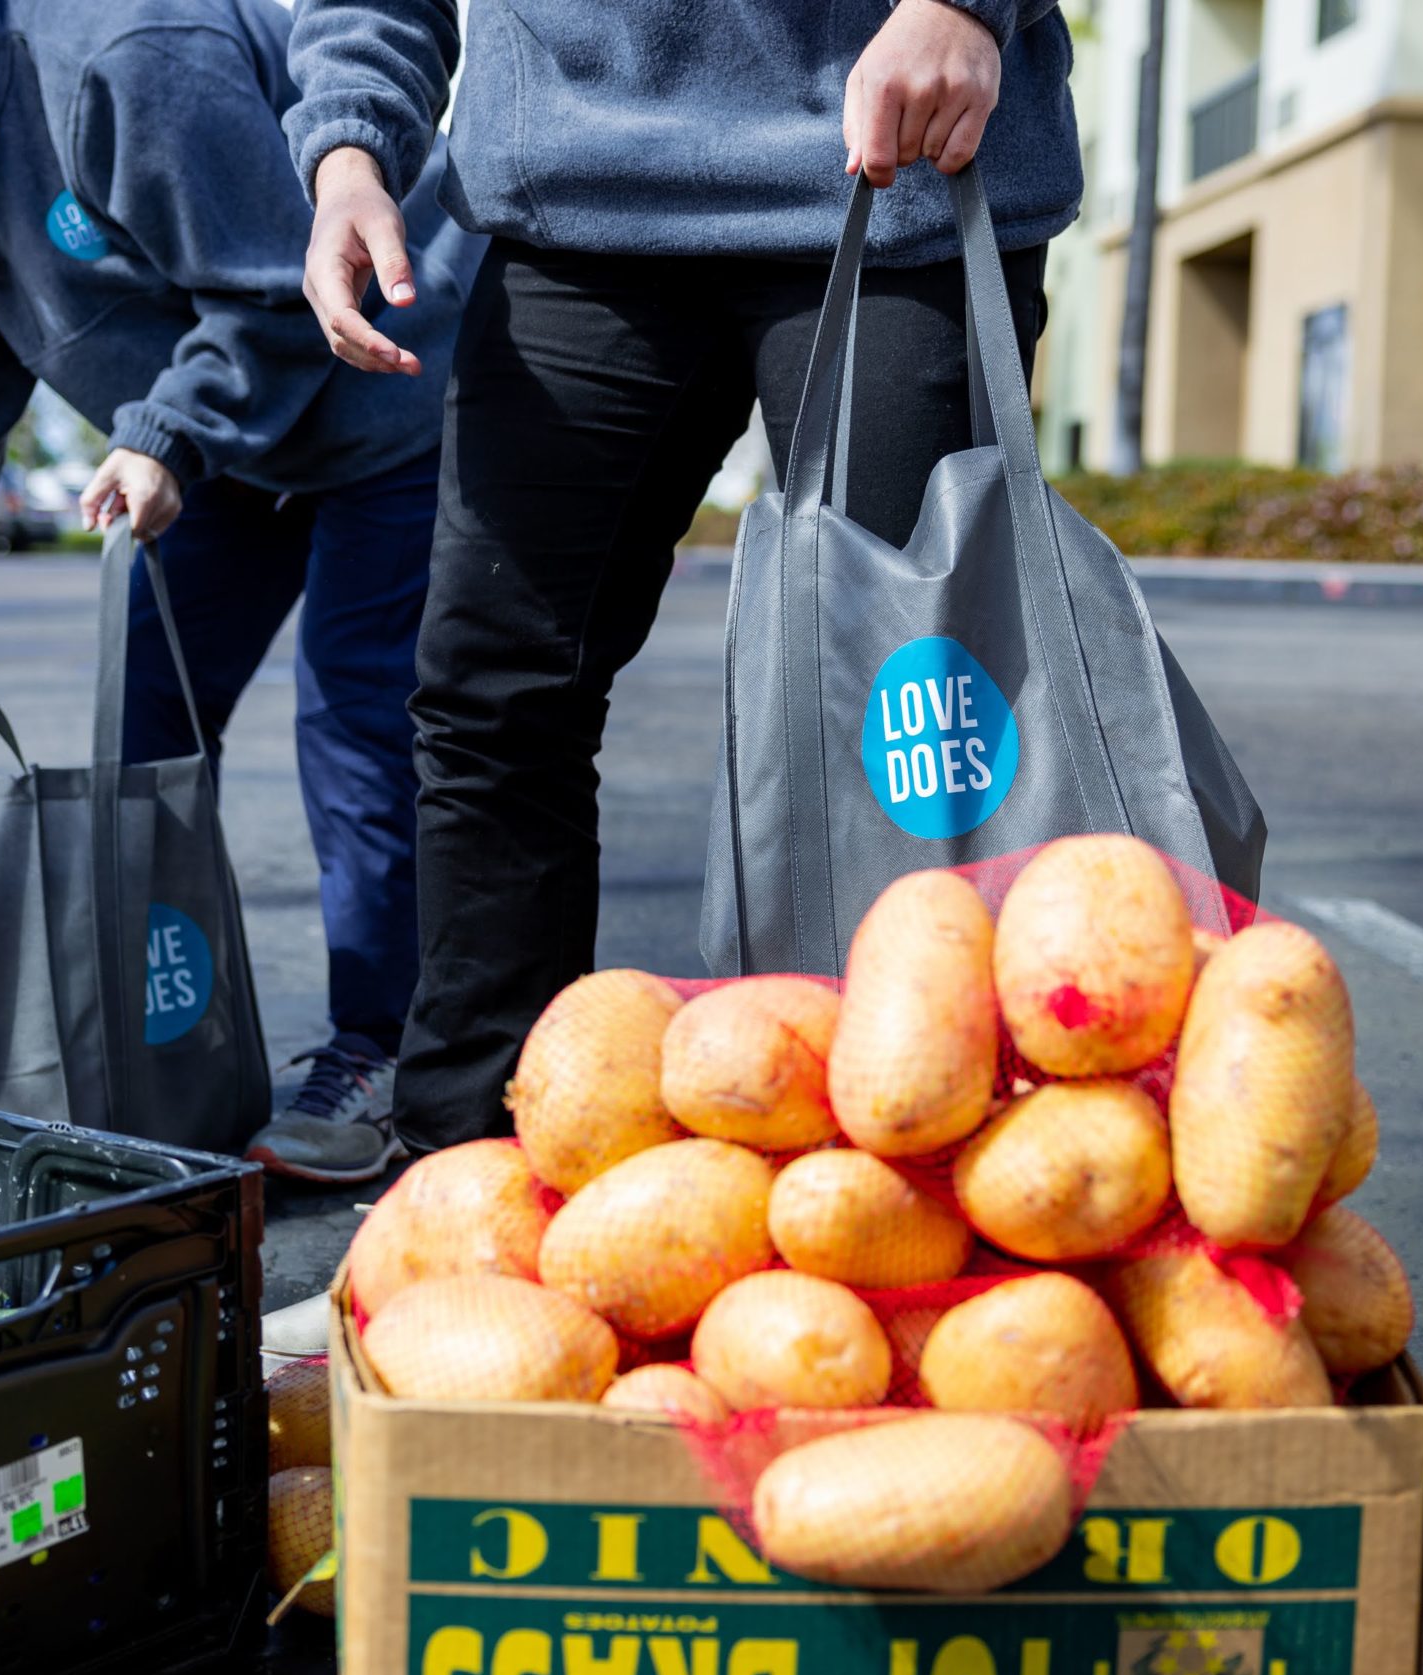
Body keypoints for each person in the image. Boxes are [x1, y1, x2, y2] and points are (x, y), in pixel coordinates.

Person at [284, 0, 1080, 1153]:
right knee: (491, 703)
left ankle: (920, 1205)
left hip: (893, 161)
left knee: (913, 724)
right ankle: (467, 1195)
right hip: (578, 194)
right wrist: (350, 153)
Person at [0, 0, 480, 1182]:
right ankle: (155, 1045)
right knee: (138, 755)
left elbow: (285, 277)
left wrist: (168, 432)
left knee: (358, 734)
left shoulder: (123, 59)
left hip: (378, 400)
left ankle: (382, 1054)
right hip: (225, 441)